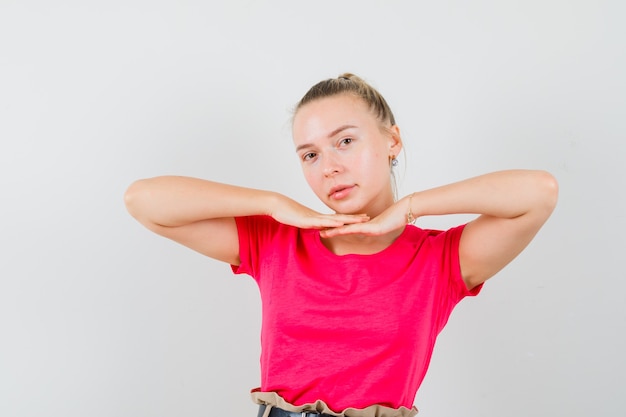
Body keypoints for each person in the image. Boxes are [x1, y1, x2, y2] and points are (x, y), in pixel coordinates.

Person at [124, 73, 558, 417]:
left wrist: (408, 208)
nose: (329, 167)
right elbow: (144, 201)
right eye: (309, 155)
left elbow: (538, 191)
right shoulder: (275, 241)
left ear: (392, 142)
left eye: (345, 141)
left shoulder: (440, 260)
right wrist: (273, 204)